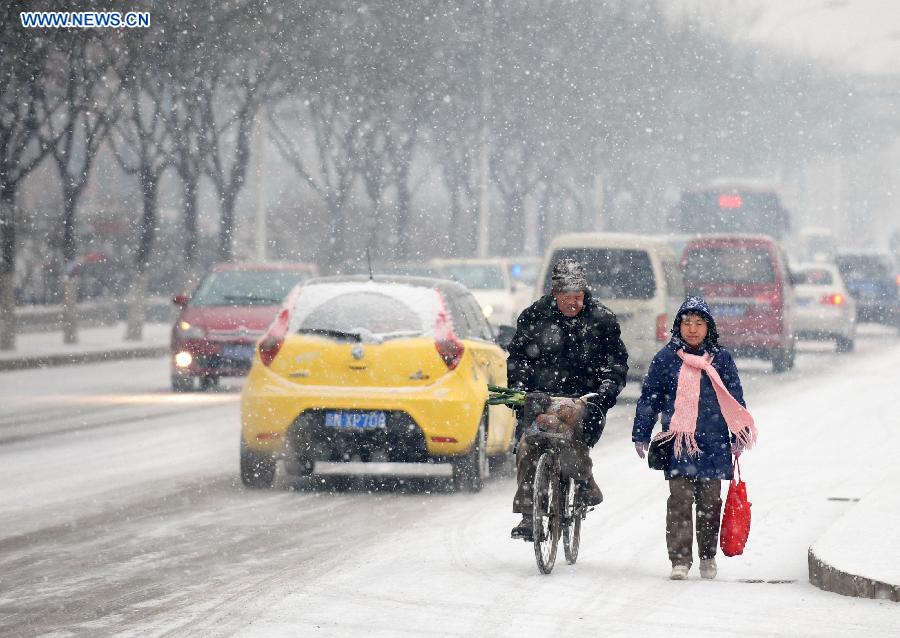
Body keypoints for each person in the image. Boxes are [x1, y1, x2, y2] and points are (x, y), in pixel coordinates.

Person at [632, 296, 757, 580]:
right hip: (679, 443)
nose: (692, 329)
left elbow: (734, 398)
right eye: (687, 323)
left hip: (714, 443)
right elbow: (650, 398)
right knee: (679, 499)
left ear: (708, 328)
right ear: (678, 326)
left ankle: (707, 556)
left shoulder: (721, 359)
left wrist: (740, 431)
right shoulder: (666, 359)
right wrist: (641, 431)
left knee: (711, 502)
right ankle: (679, 560)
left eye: (698, 323)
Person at [507, 258, 629, 541]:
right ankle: (529, 513)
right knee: (528, 444)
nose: (572, 303)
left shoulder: (602, 321)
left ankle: (584, 480)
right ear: (554, 294)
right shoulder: (533, 317)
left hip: (583, 399)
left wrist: (601, 395)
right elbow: (519, 360)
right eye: (566, 297)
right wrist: (521, 392)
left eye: (578, 296)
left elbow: (615, 366)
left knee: (569, 441)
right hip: (541, 397)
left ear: (585, 295)